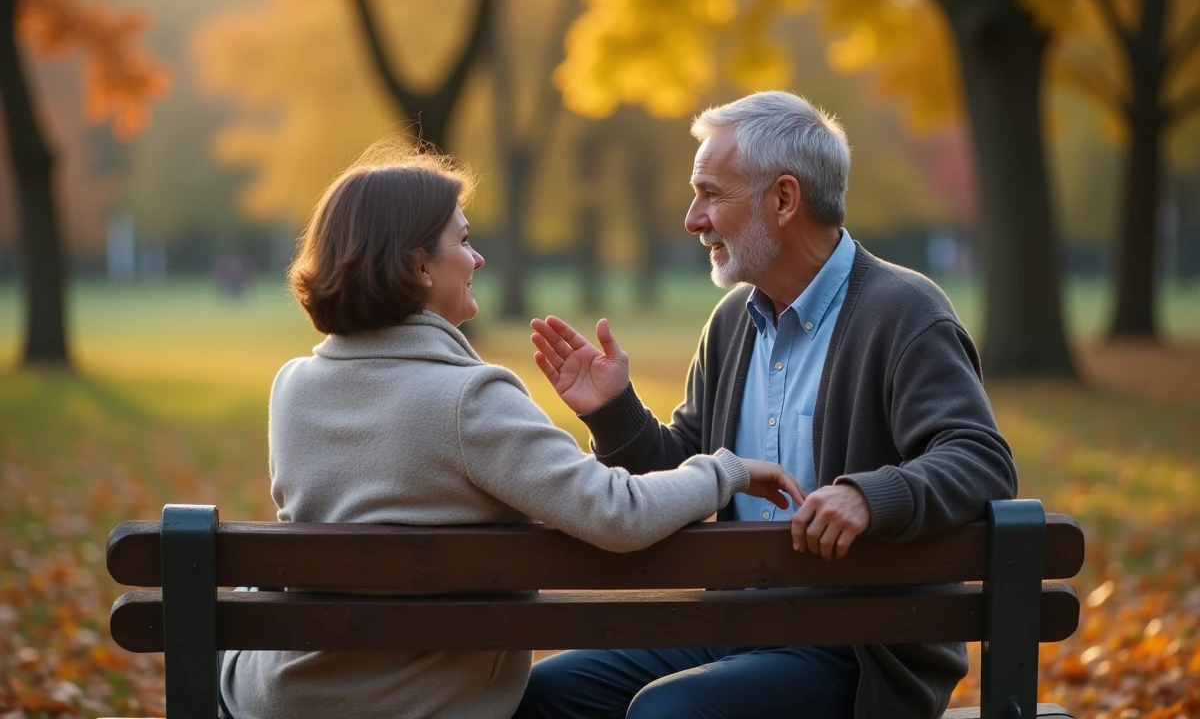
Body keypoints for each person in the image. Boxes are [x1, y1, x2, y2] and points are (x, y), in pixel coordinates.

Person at [217, 143, 805, 719]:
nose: (476, 260)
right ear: (420, 266)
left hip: (273, 694)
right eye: (464, 241)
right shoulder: (469, 400)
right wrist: (725, 469)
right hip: (404, 703)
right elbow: (617, 513)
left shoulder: (292, 387)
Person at [517, 91, 1019, 719]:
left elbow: (980, 460)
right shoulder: (732, 322)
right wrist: (614, 409)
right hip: (732, 628)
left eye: (711, 194)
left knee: (670, 714)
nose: (692, 219)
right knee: (547, 695)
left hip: (856, 649)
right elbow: (687, 468)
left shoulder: (904, 312)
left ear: (783, 200)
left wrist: (868, 496)